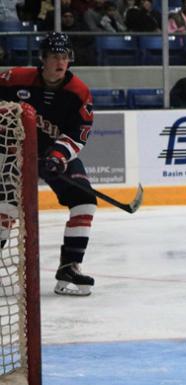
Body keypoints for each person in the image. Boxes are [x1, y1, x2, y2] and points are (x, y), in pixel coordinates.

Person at [0, 32, 97, 296]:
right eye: (55, 56)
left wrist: (58, 156)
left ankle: (69, 269)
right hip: (14, 153)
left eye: (64, 57)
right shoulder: (14, 79)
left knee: (85, 199)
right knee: (6, 206)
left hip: (55, 155)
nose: (60, 62)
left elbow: (79, 132)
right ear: (42, 59)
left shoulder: (78, 92)